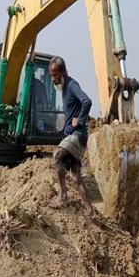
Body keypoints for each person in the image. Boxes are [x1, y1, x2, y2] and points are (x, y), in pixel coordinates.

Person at [48, 56, 95, 218]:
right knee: (75, 176)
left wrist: (79, 120)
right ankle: (90, 210)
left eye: (55, 75)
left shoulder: (72, 85)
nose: (53, 79)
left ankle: (63, 196)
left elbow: (87, 101)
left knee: (57, 155)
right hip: (74, 135)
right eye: (51, 76)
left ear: (63, 71)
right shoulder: (64, 87)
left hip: (78, 134)